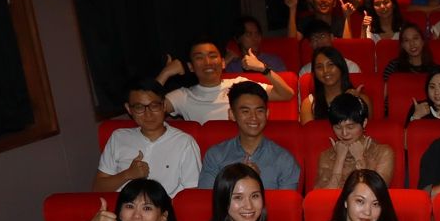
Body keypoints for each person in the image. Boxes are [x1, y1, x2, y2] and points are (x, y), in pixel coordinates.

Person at [94, 79, 201, 196]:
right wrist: (127, 174)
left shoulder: (184, 142)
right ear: (129, 109)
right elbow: (98, 188)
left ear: (164, 105)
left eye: (154, 106)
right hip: (122, 205)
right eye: (139, 107)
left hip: (165, 206)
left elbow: (193, 194)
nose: (148, 114)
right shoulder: (118, 137)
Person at [160, 39, 294, 124]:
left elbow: (286, 94)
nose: (208, 62)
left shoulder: (239, 84)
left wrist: (263, 68)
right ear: (190, 67)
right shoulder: (183, 96)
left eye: (212, 56)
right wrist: (165, 73)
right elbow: (148, 109)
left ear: (223, 63)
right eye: (199, 58)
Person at [198, 82, 301, 191]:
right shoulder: (215, 156)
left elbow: (286, 201)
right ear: (232, 114)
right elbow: (206, 198)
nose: (254, 117)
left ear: (267, 114)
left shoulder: (284, 159)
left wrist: (256, 182)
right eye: (246, 111)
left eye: (259, 111)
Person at [315, 92, 396, 190]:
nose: (344, 133)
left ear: (364, 123)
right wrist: (339, 160)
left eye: (350, 127)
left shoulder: (383, 152)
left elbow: (375, 193)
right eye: (338, 127)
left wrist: (360, 158)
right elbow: (323, 196)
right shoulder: (326, 156)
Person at [299, 47, 367, 124]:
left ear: (341, 66)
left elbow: (365, 129)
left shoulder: (361, 100)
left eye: (330, 65)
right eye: (319, 67)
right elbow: (309, 131)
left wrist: (351, 102)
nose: (325, 71)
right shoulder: (309, 104)